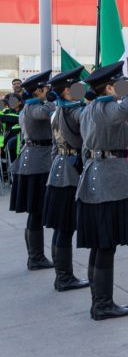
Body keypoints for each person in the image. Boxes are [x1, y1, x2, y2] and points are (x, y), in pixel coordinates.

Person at [76, 61, 128, 320]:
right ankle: (103, 305)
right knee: (106, 245)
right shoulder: (107, 108)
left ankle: (99, 302)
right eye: (119, 84)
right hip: (109, 182)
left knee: (100, 245)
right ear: (109, 87)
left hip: (97, 176)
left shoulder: (91, 108)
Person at [42, 67, 90, 291]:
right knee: (65, 227)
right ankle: (64, 278)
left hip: (59, 169)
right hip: (70, 173)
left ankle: (62, 276)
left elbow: (54, 147)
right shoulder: (75, 112)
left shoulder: (58, 111)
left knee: (61, 227)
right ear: (66, 91)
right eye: (76, 86)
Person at [9, 70, 55, 270]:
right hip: (37, 164)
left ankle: (35, 257)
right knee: (36, 212)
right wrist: (51, 100)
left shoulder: (28, 106)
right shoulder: (35, 107)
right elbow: (46, 113)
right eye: (46, 88)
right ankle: (36, 257)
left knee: (35, 212)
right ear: (38, 90)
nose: (49, 91)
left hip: (34, 162)